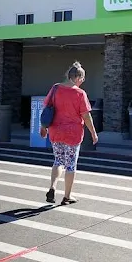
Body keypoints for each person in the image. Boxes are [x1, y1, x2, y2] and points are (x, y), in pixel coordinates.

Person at [40, 61, 99, 205]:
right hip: (73, 134)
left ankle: (53, 187)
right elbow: (86, 116)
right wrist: (93, 133)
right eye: (82, 79)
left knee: (58, 161)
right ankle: (67, 196)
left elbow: (47, 107)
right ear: (78, 77)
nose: (82, 82)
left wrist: (43, 127)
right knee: (71, 165)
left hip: (55, 131)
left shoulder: (55, 88)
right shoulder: (80, 93)